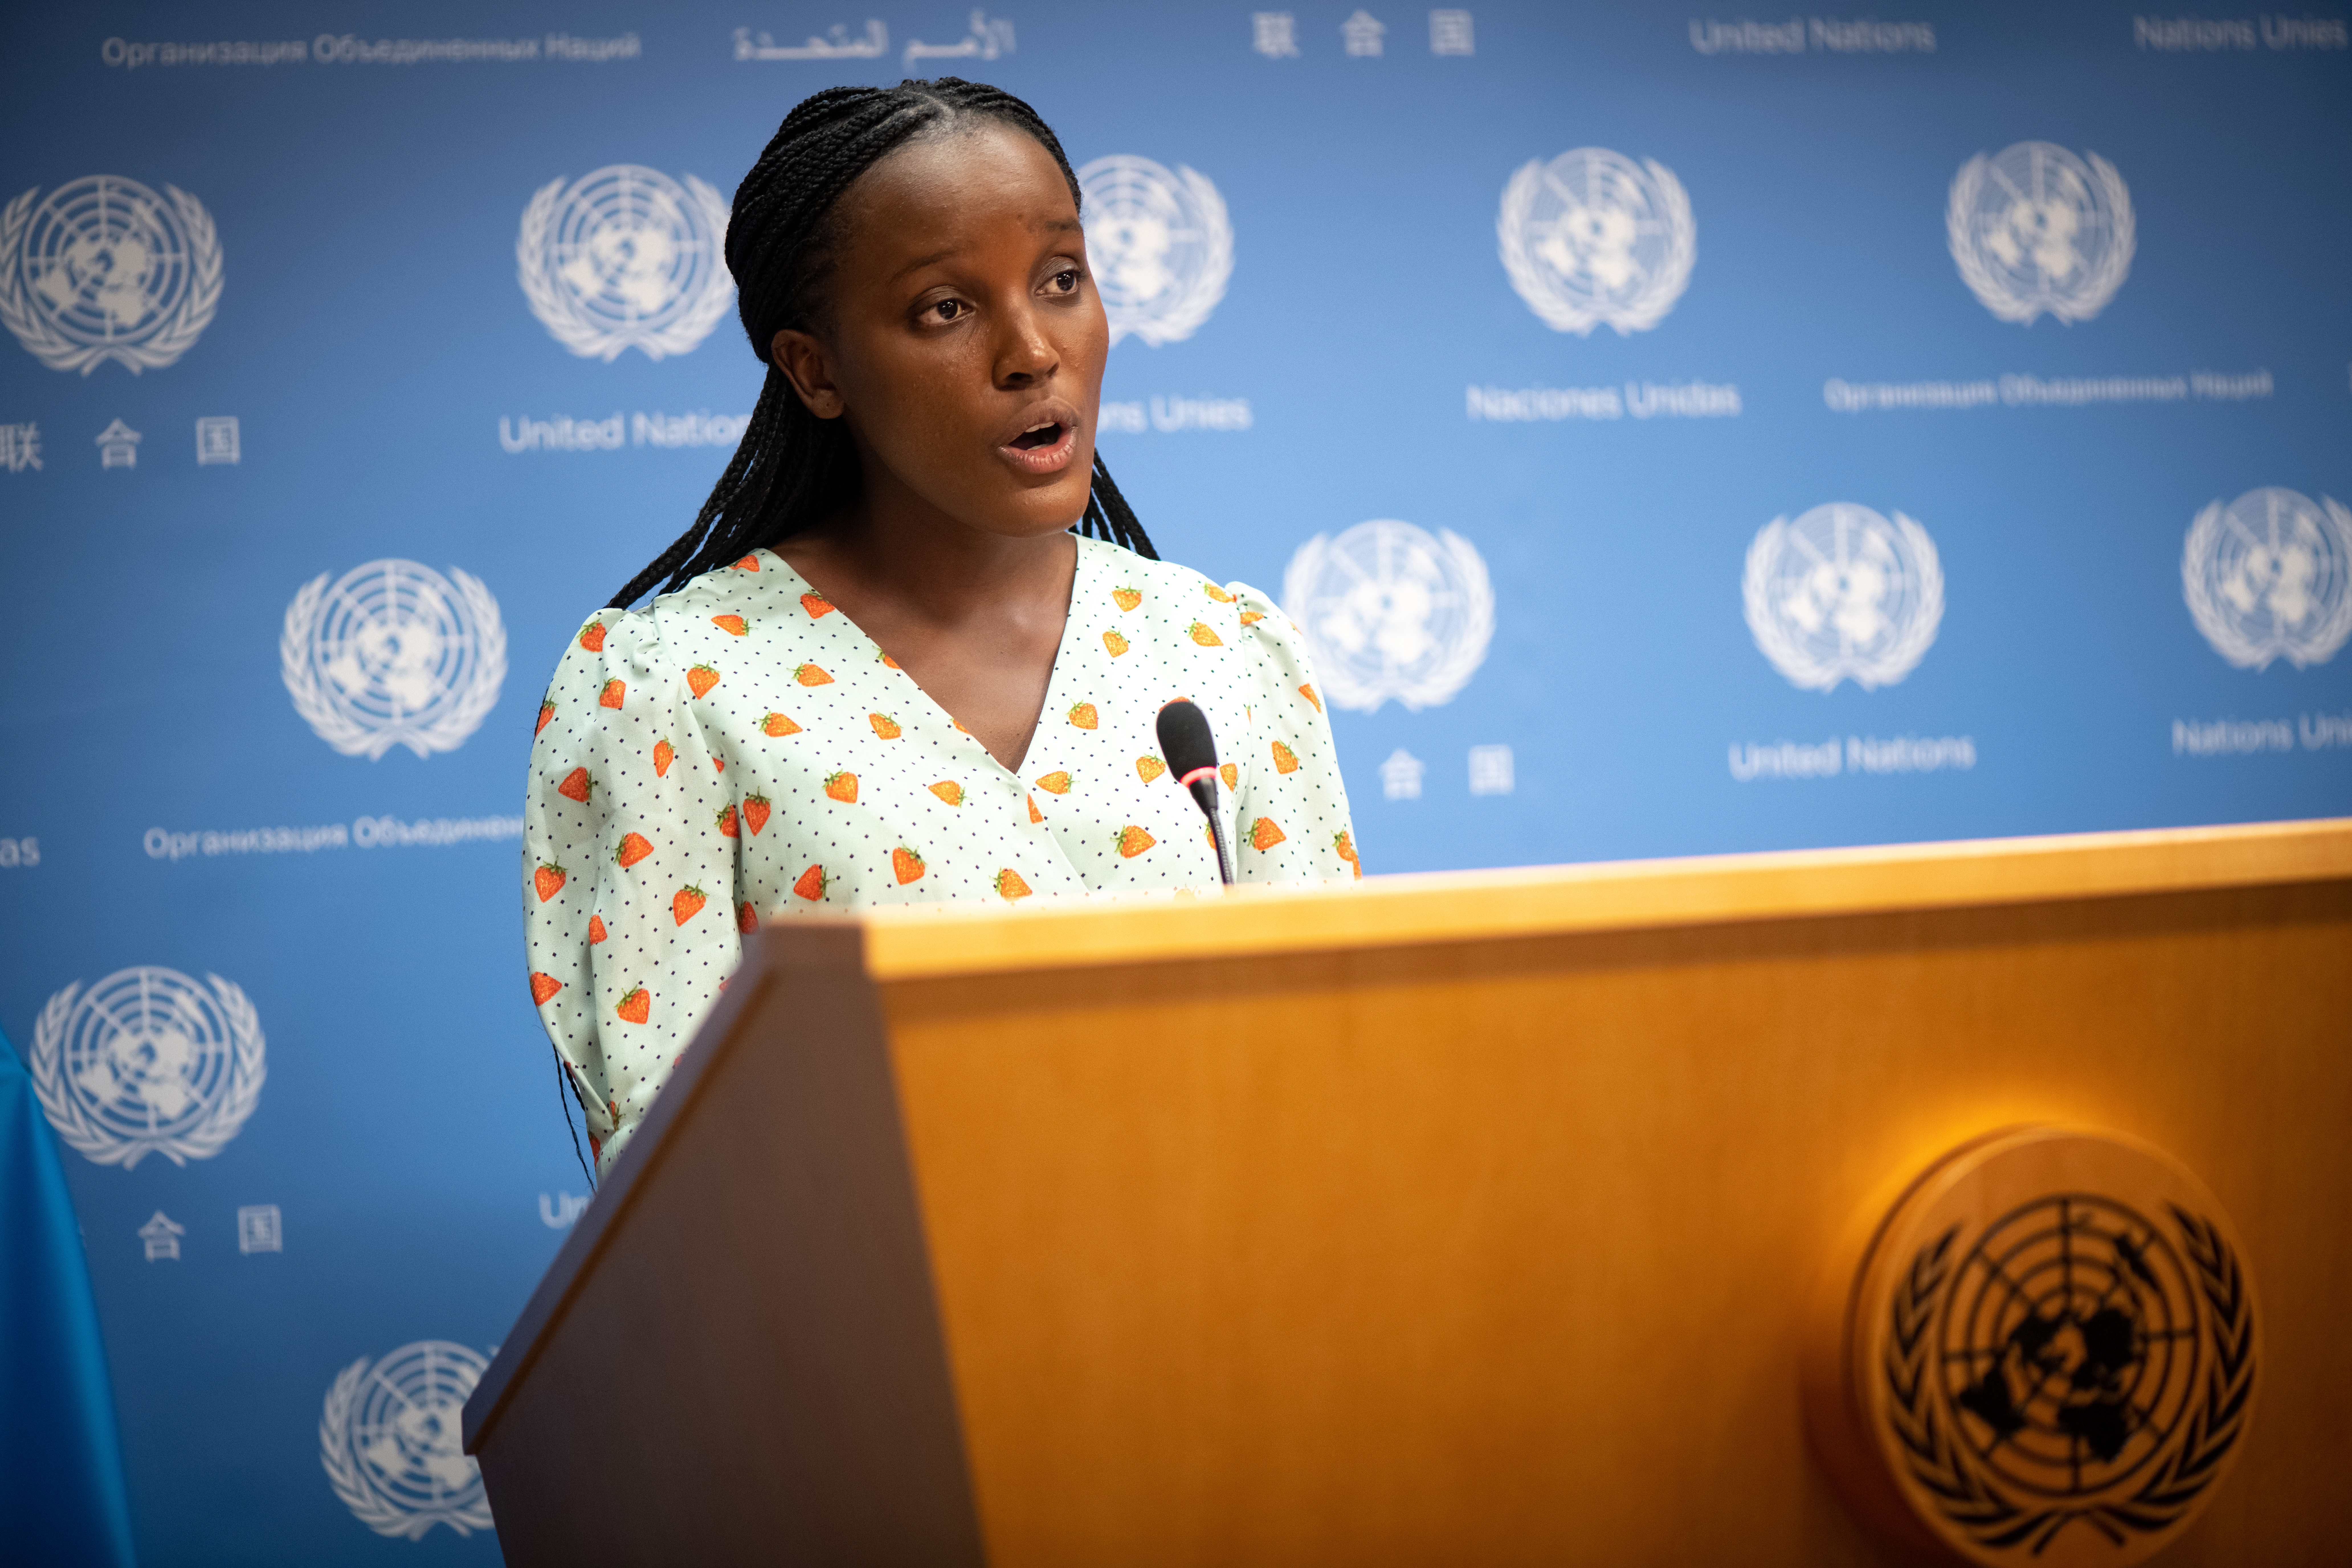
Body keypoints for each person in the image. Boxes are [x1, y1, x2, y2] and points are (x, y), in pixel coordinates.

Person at [522, 79, 1360, 1176]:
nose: (1031, 351)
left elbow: (1337, 1072)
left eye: (1061, 280)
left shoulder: (1225, 651)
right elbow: (681, 1180)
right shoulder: (671, 686)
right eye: (946, 310)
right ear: (815, 371)